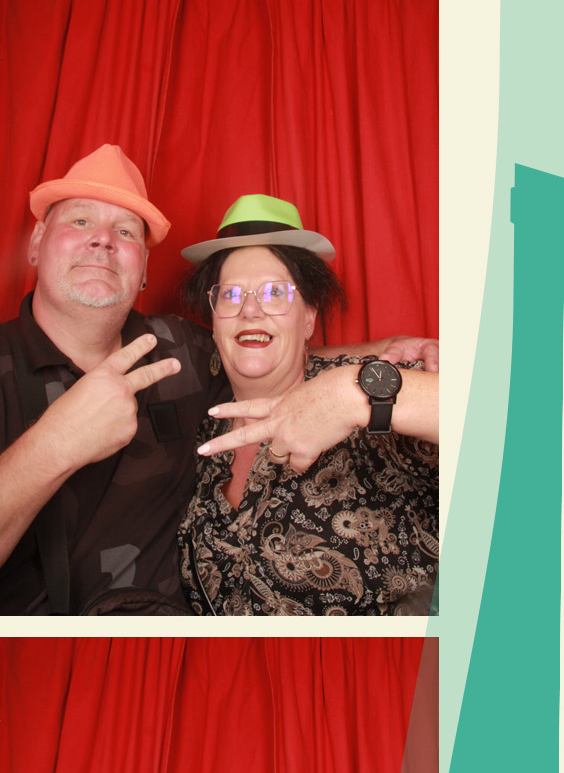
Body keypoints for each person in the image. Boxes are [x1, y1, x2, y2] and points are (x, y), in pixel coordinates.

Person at [178, 195, 439, 615]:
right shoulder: (203, 424)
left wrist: (350, 396)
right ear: (212, 323)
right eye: (230, 294)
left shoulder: (376, 390)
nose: (250, 310)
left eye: (275, 292)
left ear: (309, 319)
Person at [0, 145, 216, 615]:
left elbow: (275, 361)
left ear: (144, 270)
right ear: (35, 243)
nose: (102, 240)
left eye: (125, 231)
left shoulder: (182, 350)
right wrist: (57, 443)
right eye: (80, 221)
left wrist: (369, 372)